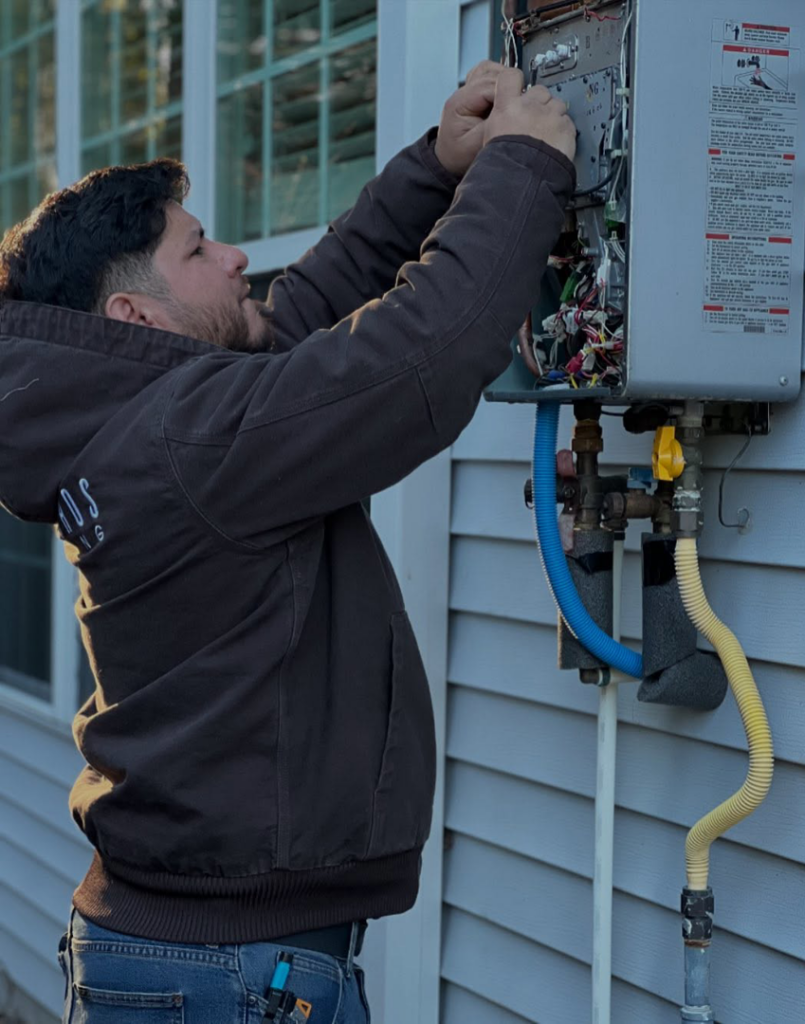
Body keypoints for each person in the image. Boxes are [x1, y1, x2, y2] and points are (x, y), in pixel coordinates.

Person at [0, 64, 576, 1023]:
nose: (235, 258)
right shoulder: (189, 437)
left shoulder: (133, 421)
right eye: (199, 249)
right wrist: (522, 166)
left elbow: (301, 324)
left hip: (183, 953)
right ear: (132, 316)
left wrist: (437, 172)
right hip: (229, 974)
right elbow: (413, 359)